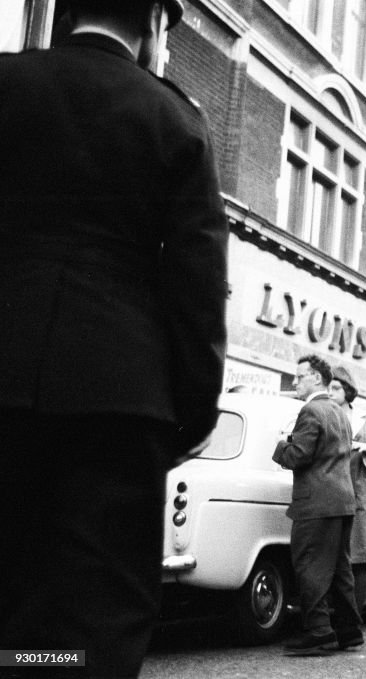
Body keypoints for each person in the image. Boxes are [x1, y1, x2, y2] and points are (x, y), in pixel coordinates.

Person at [0, 1, 227, 676]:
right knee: (93, 621)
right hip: (117, 409)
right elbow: (196, 286)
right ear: (154, 25)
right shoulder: (175, 120)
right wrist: (188, 414)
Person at [274, 355, 362, 654]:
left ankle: (320, 632)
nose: (295, 382)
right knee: (339, 569)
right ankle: (349, 631)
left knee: (310, 565)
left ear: (315, 378)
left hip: (316, 501)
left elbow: (298, 455)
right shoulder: (338, 411)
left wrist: (280, 444)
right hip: (343, 500)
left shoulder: (311, 410)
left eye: (299, 377)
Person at [328, 366, 366, 614]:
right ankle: (337, 614)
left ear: (348, 391)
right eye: (329, 387)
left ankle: (355, 614)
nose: (331, 392)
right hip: (334, 491)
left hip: (363, 490)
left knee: (358, 557)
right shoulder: (325, 415)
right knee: (335, 555)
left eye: (336, 388)